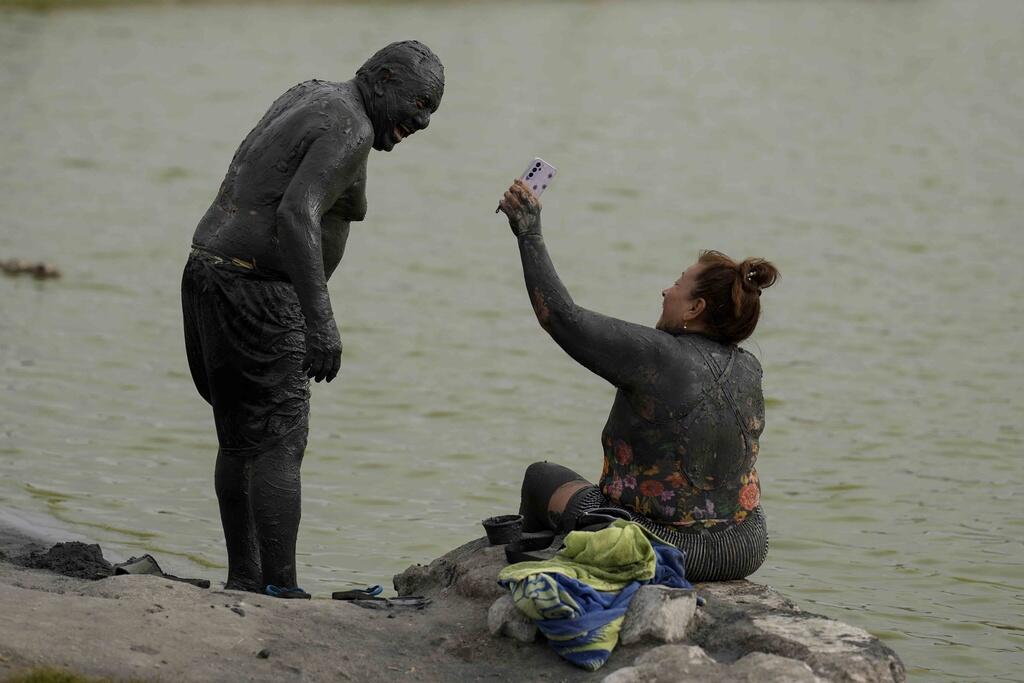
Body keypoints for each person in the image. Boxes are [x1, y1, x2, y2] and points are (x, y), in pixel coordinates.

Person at [181, 41, 443, 596]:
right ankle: (281, 587)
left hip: (209, 269)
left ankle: (244, 580)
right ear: (384, 78)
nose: (421, 121)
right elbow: (296, 212)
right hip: (255, 288)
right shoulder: (353, 126)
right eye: (418, 103)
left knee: (237, 439)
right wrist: (321, 321)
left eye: (430, 112)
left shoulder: (313, 94)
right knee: (279, 440)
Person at [497, 179, 778, 582]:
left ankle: (539, 571)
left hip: (657, 546)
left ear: (695, 308)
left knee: (541, 477)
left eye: (678, 284)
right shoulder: (750, 366)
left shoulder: (658, 354)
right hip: (744, 546)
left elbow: (559, 317)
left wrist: (529, 231)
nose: (666, 290)